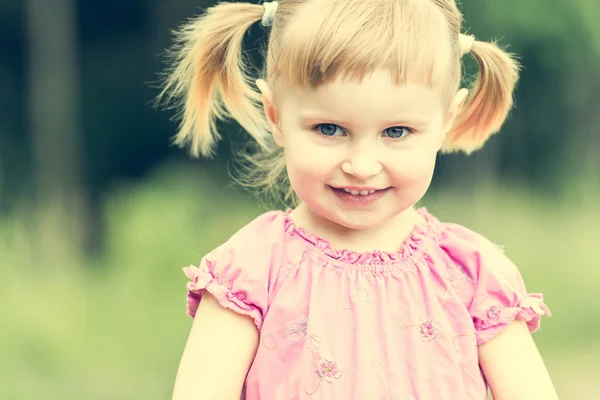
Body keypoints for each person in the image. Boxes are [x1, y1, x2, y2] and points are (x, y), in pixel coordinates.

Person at [157, 1, 558, 399]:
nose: (362, 166)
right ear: (275, 116)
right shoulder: (252, 271)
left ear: (446, 120)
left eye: (397, 131)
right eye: (329, 128)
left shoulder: (471, 274)